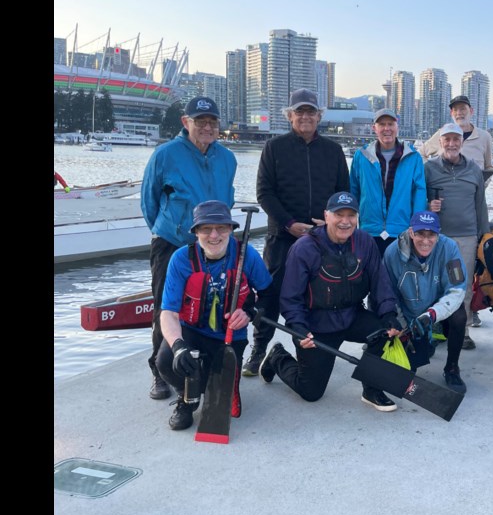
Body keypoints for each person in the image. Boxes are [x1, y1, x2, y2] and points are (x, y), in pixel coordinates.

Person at [257, 192, 403, 412]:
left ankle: (371, 389)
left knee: (383, 331)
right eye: (339, 214)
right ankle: (277, 356)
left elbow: (379, 282)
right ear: (326, 216)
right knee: (311, 392)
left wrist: (389, 314)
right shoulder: (304, 248)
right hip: (317, 326)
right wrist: (298, 328)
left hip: (352, 316)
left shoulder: (364, 241)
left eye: (351, 215)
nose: (345, 221)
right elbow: (290, 297)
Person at [242, 88, 349, 377]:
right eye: (299, 112)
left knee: (314, 296)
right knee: (270, 295)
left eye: (310, 112)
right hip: (282, 237)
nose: (305, 116)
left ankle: (306, 350)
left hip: (320, 239)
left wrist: (327, 225)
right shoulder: (274, 148)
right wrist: (289, 223)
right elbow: (264, 193)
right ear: (290, 116)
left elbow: (343, 194)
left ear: (319, 116)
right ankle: (259, 349)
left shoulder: (333, 151)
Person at [141, 96, 237, 401]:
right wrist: (171, 229)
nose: (207, 127)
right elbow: (149, 202)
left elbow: (228, 201)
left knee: (212, 302)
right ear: (186, 122)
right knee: (165, 306)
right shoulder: (165, 154)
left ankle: (203, 359)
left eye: (212, 122)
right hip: (173, 242)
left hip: (212, 245)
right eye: (200, 121)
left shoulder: (227, 158)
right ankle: (160, 370)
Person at [155, 201, 272, 431]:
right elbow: (167, 312)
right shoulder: (180, 259)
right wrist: (178, 346)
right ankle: (187, 398)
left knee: (221, 393)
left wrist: (249, 312)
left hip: (230, 337)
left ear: (231, 229)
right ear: (196, 232)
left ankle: (206, 385)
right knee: (166, 361)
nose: (214, 235)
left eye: (222, 228)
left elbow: (269, 294)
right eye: (206, 229)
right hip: (192, 331)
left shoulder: (246, 254)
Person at [382, 211, 469, 394]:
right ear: (411, 232)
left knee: (460, 316)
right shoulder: (391, 253)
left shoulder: (450, 248)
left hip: (436, 311)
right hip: (408, 315)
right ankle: (424, 343)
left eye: (431, 235)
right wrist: (402, 326)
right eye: (421, 234)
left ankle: (452, 367)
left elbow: (456, 289)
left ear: (439, 234)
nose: (426, 240)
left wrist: (432, 315)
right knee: (406, 372)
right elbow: (387, 294)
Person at [425, 123, 489, 350]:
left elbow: (480, 204)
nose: (451, 144)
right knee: (434, 284)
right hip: (436, 237)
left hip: (467, 237)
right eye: (447, 139)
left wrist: (484, 236)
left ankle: (463, 331)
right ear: (440, 142)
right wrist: (427, 205)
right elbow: (418, 200)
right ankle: (435, 330)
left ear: (462, 142)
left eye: (456, 139)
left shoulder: (473, 169)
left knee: (463, 285)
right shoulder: (428, 168)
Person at [350, 108, 427, 256]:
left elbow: (419, 192)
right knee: (370, 275)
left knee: (398, 276)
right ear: (374, 128)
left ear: (397, 126)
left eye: (390, 124)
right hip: (369, 229)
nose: (387, 128)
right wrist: (352, 224)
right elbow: (353, 190)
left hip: (401, 230)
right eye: (382, 124)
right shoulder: (362, 156)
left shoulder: (413, 157)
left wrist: (416, 226)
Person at [420, 95, 493, 185]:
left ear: (471, 111)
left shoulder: (484, 137)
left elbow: (489, 168)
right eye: (455, 110)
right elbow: (420, 154)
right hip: (446, 193)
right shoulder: (442, 134)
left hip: (473, 195)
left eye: (462, 109)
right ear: (451, 113)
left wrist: (481, 187)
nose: (459, 113)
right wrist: (432, 173)